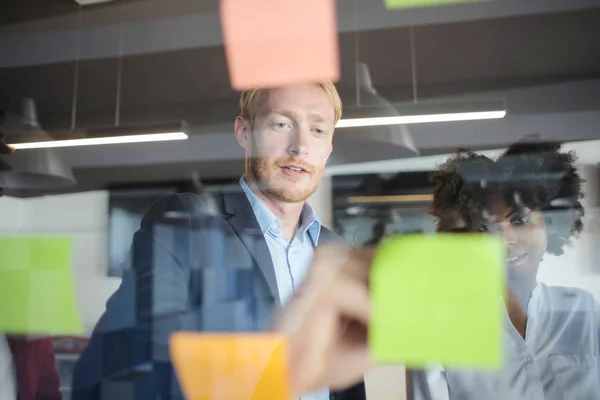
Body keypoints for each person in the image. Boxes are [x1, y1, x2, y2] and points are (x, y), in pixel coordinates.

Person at [71, 82, 367, 400]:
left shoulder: (338, 255)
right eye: (282, 124)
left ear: (330, 145)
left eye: (318, 130)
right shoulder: (187, 225)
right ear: (244, 132)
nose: (300, 147)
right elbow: (110, 379)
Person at [411, 139, 600, 399]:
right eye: (486, 228)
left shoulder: (581, 309)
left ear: (550, 224)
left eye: (520, 220)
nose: (505, 239)